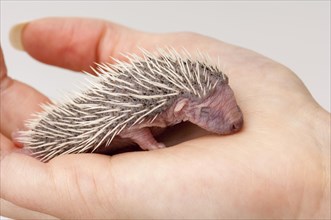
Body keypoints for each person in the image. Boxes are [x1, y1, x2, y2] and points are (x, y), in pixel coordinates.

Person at [0, 17, 330, 219]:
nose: (233, 122)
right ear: (181, 109)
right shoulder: (148, 109)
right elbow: (130, 125)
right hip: (67, 135)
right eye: (208, 113)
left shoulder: (186, 97)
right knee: (47, 145)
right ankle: (32, 144)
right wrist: (150, 143)